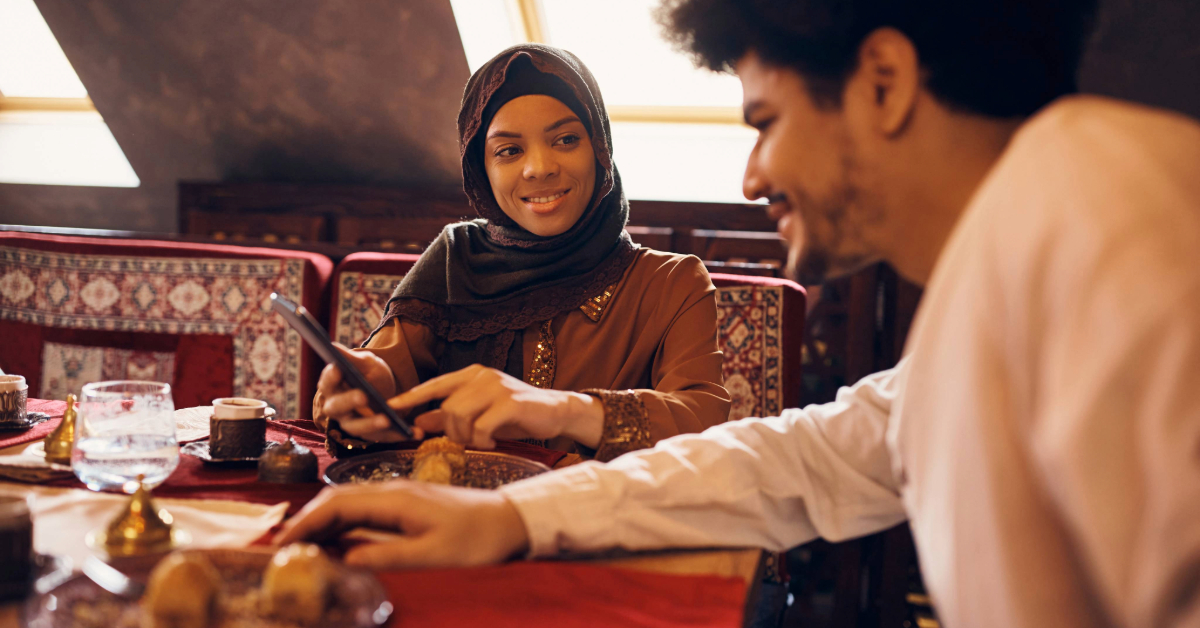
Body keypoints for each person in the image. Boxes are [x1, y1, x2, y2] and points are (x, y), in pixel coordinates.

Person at [282, 2, 1200, 626]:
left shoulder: (1114, 216)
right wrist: (515, 519)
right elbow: (798, 458)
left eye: (764, 121)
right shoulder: (1007, 260)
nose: (753, 177)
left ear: (883, 81)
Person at [314, 44, 730, 463]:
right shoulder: (454, 259)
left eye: (566, 139)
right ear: (482, 169)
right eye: (509, 151)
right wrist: (368, 388)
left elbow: (704, 425)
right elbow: (386, 372)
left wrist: (560, 410)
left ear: (600, 149)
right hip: (451, 515)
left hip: (596, 520)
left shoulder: (670, 283)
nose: (539, 168)